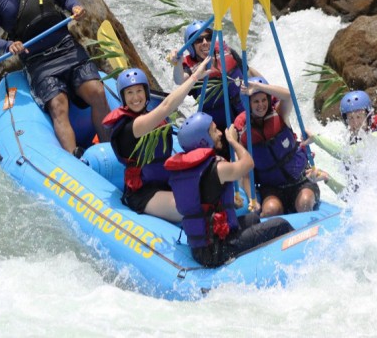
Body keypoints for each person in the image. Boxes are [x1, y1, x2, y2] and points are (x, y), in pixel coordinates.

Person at [0, 0, 111, 155]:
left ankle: (112, 151)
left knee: (98, 92)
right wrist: (8, 45)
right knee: (58, 105)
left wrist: (75, 7)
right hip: (38, 60)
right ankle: (75, 161)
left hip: (67, 48)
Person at [164, 111, 295, 267]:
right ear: (203, 140)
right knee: (280, 225)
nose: (220, 133)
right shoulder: (217, 169)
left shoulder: (187, 171)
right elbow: (248, 163)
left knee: (253, 218)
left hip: (202, 247)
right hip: (217, 251)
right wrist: (233, 141)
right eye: (214, 130)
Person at [102, 58, 211, 223]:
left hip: (166, 181)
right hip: (143, 192)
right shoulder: (132, 127)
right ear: (123, 97)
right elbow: (167, 106)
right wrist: (194, 77)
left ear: (146, 93)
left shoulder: (148, 117)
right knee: (189, 208)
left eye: (139, 91)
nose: (135, 97)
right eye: (129, 93)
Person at [168, 20, 262, 150]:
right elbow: (179, 80)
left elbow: (248, 72)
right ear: (191, 46)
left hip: (245, 114)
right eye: (199, 40)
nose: (205, 42)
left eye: (208, 38)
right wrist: (177, 63)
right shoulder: (191, 68)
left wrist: (268, 90)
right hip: (219, 129)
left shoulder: (227, 52)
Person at [233, 77, 320, 216]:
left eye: (264, 100)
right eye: (256, 101)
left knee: (304, 204)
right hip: (272, 189)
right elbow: (246, 176)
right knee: (270, 210)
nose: (261, 105)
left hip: (300, 180)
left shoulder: (280, 114)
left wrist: (257, 86)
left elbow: (288, 95)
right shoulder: (245, 135)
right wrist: (252, 199)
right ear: (247, 103)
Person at [302, 90, 377, 193]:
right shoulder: (354, 143)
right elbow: (351, 196)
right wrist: (327, 178)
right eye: (351, 118)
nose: (355, 123)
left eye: (359, 116)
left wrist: (316, 139)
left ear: (368, 116)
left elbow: (347, 153)